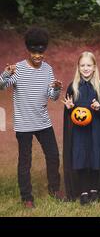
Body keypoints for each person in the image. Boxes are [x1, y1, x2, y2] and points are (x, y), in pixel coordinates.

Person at [0, 27, 64, 208]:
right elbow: (1, 86)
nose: (38, 55)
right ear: (28, 50)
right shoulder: (18, 69)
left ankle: (54, 188)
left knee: (53, 155)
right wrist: (6, 74)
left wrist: (57, 88)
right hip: (23, 124)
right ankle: (27, 197)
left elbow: (52, 96)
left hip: (43, 122)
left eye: (41, 52)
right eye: (34, 52)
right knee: (25, 161)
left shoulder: (48, 69)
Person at [63, 51, 100, 204]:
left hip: (96, 129)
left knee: (94, 158)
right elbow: (70, 113)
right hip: (79, 131)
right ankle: (84, 190)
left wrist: (99, 107)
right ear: (78, 68)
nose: (86, 68)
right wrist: (69, 108)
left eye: (89, 65)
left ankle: (94, 189)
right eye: (82, 65)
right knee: (81, 158)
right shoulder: (73, 87)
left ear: (94, 67)